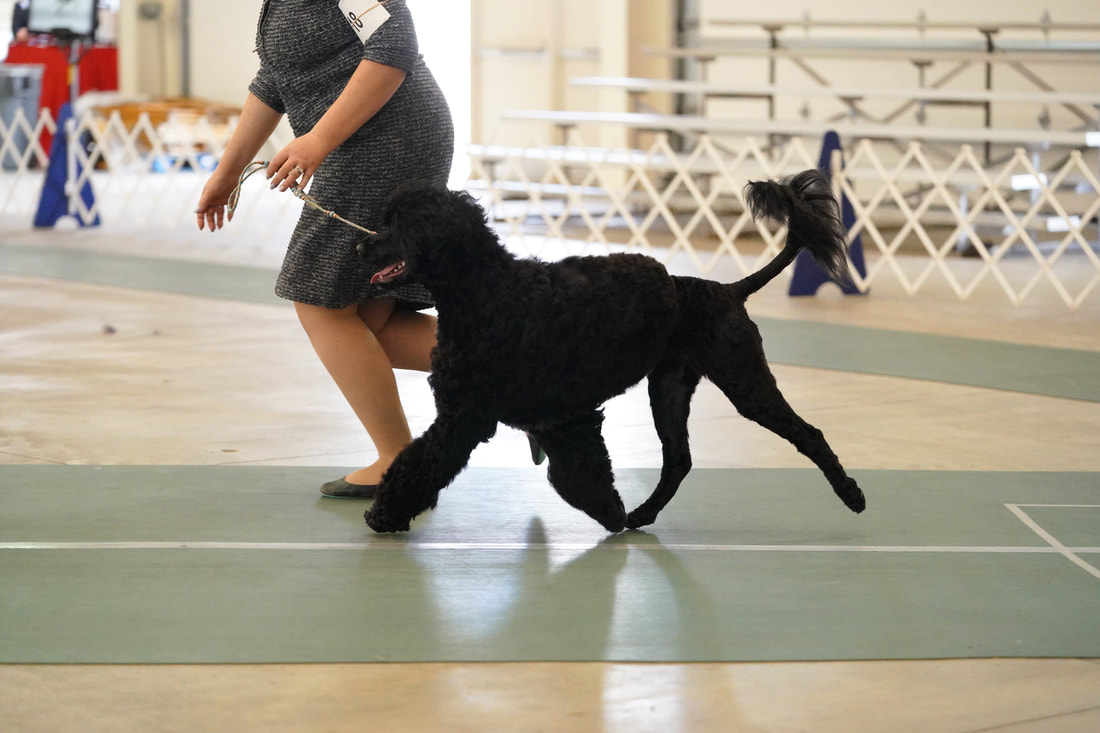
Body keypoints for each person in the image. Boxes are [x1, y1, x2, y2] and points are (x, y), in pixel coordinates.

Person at [195, 0, 453, 498]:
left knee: (320, 301)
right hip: (366, 141)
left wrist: (318, 139)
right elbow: (274, 79)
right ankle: (529, 377)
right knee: (369, 325)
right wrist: (227, 173)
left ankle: (399, 460)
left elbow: (394, 44)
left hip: (385, 141)